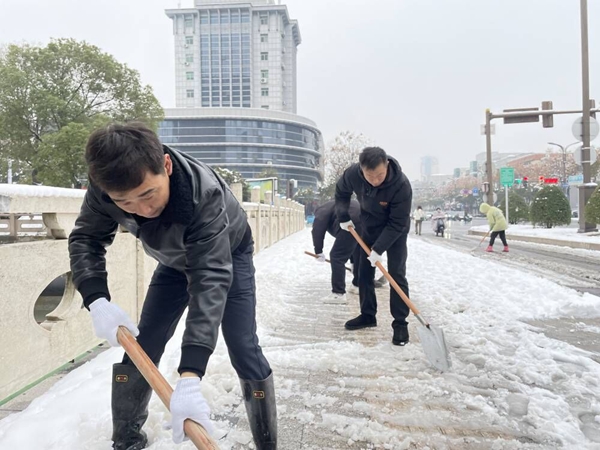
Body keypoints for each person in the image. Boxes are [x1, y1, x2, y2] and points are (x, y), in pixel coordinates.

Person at [68, 123, 276, 450]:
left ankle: (267, 443)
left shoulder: (203, 194)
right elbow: (86, 239)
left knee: (242, 346)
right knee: (144, 342)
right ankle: (126, 441)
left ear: (166, 166)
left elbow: (209, 281)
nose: (144, 210)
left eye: (149, 194)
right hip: (173, 262)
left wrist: (190, 376)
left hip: (226, 255)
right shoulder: (103, 188)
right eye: (126, 203)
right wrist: (96, 299)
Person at [335, 146, 413, 346]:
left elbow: (397, 223)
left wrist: (379, 249)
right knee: (363, 272)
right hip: (369, 225)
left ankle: (400, 324)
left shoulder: (401, 185)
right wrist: (343, 216)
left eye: (379, 175)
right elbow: (341, 191)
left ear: (386, 165)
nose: (376, 180)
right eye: (370, 176)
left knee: (396, 273)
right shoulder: (353, 174)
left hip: (396, 230)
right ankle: (368, 315)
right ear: (361, 170)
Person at [312, 199, 362, 302]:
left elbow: (317, 230)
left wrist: (318, 251)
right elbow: (351, 245)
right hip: (365, 219)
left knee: (337, 256)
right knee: (358, 250)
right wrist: (353, 263)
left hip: (350, 222)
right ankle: (357, 285)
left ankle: (338, 293)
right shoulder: (333, 206)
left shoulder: (321, 211)